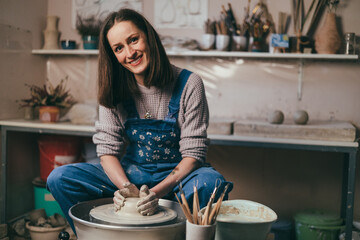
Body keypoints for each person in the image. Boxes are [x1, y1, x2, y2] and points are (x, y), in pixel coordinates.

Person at [47, 8, 232, 233]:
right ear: (113, 55)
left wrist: (155, 194)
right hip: (132, 175)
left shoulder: (189, 84)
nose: (129, 53)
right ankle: (98, 237)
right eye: (119, 48)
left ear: (148, 36)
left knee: (210, 183)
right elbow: (107, 151)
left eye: (133, 40)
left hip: (179, 178)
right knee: (60, 178)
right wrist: (127, 189)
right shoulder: (114, 89)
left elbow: (193, 155)